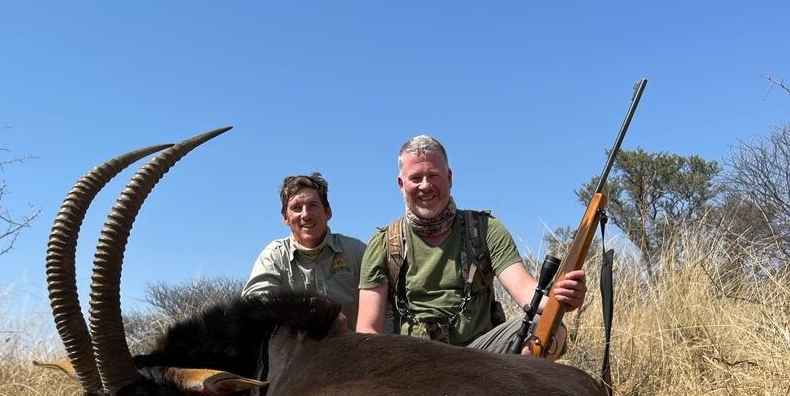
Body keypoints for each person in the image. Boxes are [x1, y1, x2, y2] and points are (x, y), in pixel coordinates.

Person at [356, 135, 587, 354]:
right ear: (401, 184)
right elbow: (368, 330)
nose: (425, 186)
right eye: (416, 178)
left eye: (434, 175)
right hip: (414, 363)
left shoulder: (486, 229)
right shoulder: (383, 242)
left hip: (481, 360)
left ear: (449, 178)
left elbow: (526, 292)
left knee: (550, 329)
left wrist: (561, 299)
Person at [242, 172, 365, 330]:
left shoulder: (356, 251)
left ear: (328, 212)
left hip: (352, 350)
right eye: (296, 208)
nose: (305, 215)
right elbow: (253, 305)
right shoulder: (273, 255)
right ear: (285, 218)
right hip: (295, 353)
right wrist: (309, 308)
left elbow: (387, 308)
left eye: (313, 205)